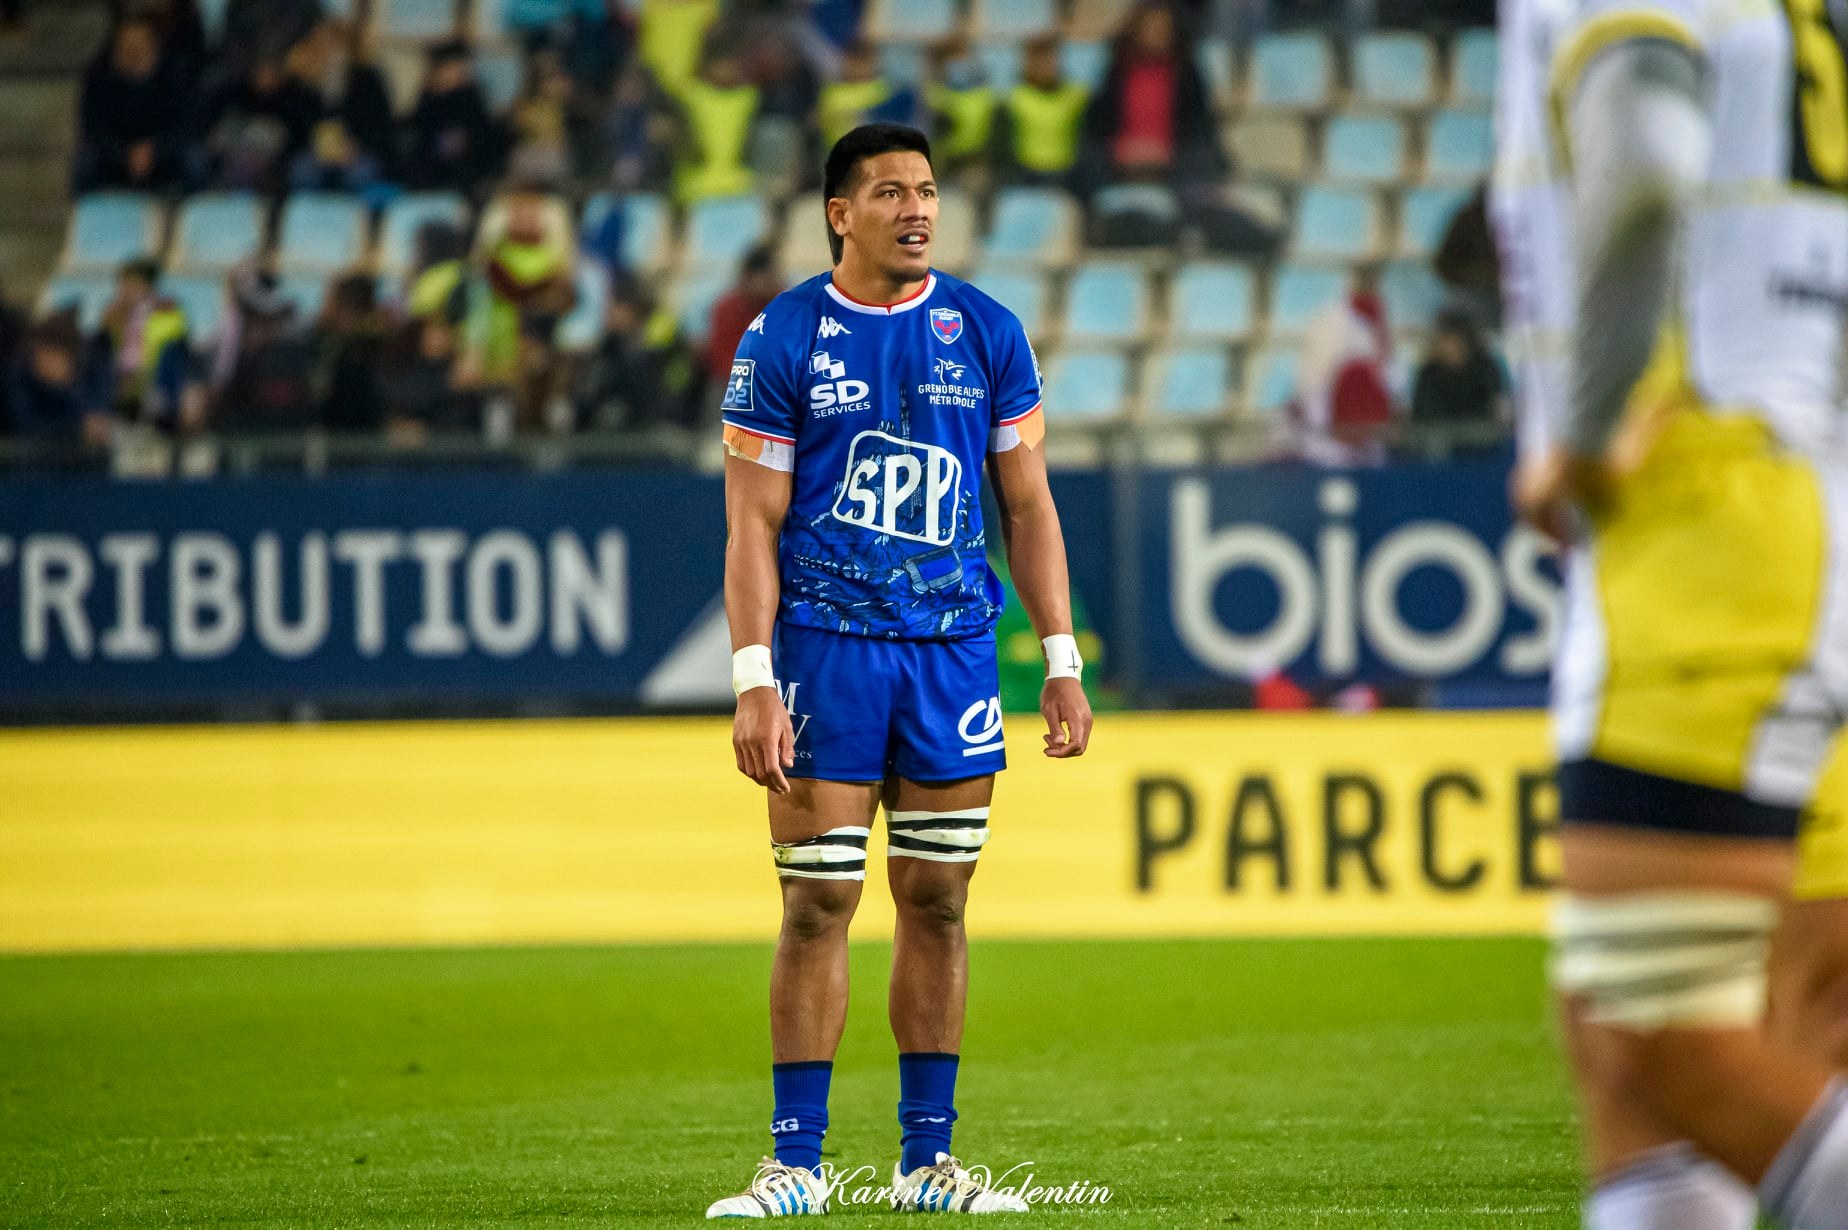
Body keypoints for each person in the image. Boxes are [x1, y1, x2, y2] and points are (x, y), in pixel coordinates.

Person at [705, 123, 1093, 1219]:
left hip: (952, 652)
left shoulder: (987, 331)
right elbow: (750, 526)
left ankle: (928, 1166)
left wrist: (1057, 659)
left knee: (938, 895)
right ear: (841, 212)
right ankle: (795, 1167)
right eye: (890, 193)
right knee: (820, 901)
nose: (917, 209)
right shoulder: (782, 337)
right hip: (827, 653)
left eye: (927, 191)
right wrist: (753, 678)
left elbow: (1028, 507)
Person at [1508, 1, 1848, 1225]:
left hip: (1705, 518)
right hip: (1796, 505)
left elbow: (1645, 168)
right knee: (1674, 1067)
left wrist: (1583, 437)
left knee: (1650, 1031)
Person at [75, 17, 201, 193]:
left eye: (139, 47)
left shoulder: (176, 75)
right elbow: (94, 127)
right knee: (85, 163)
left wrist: (154, 150)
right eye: (126, 48)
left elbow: (187, 124)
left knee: (194, 158)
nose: (133, 53)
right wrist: (123, 153)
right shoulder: (99, 78)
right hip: (117, 155)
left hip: (164, 154)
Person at [404, 40, 505, 196]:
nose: (456, 73)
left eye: (459, 68)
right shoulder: (428, 100)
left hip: (468, 169)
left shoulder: (472, 98)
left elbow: (485, 135)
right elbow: (418, 131)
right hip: (431, 170)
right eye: (449, 68)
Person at [1408, 309, 1505, 435]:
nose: (1449, 347)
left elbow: (1497, 410)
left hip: (1483, 444)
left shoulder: (1486, 368)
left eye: (1454, 341)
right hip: (1439, 446)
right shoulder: (1429, 373)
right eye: (1443, 339)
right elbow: (1422, 418)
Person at [703, 243, 782, 387]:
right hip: (735, 383)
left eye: (771, 277)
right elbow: (721, 358)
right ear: (747, 278)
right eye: (763, 278)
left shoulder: (787, 307)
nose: (768, 283)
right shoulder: (726, 309)